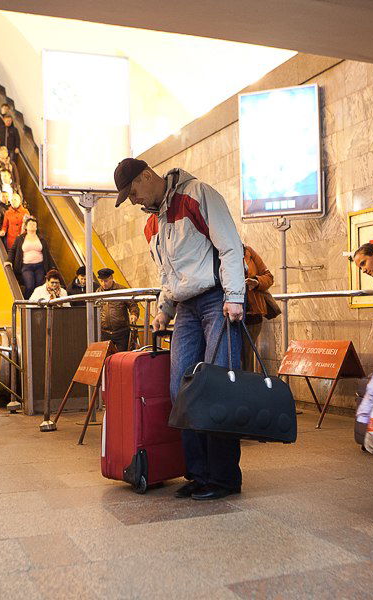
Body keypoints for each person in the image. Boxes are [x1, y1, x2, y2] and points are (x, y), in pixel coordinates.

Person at [114, 157, 245, 501]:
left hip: (217, 299)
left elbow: (230, 245)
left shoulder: (197, 194)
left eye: (133, 192)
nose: (133, 200)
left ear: (147, 175)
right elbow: (168, 274)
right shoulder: (152, 225)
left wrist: (235, 296)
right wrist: (164, 309)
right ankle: (198, 474)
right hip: (185, 307)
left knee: (218, 386)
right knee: (181, 389)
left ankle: (224, 478)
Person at [241, 244, 274, 371]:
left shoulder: (248, 251)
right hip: (226, 312)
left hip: (252, 313)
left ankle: (246, 388)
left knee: (246, 356)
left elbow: (269, 277)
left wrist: (256, 281)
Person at [9, 217, 55, 298]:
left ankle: (39, 304)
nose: (32, 226)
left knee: (39, 286)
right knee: (30, 285)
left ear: (36, 227)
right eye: (30, 224)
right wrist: (9, 260)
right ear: (26, 227)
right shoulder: (20, 238)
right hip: (26, 266)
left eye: (34, 224)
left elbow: (47, 254)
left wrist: (52, 268)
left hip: (40, 266)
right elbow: (12, 250)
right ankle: (28, 303)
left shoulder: (42, 239)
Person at [96, 268, 140, 353]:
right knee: (105, 357)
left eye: (106, 281)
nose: (103, 284)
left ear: (111, 278)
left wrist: (134, 314)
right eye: (101, 281)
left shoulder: (122, 290)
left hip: (121, 331)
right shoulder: (98, 292)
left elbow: (133, 304)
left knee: (121, 357)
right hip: (105, 332)